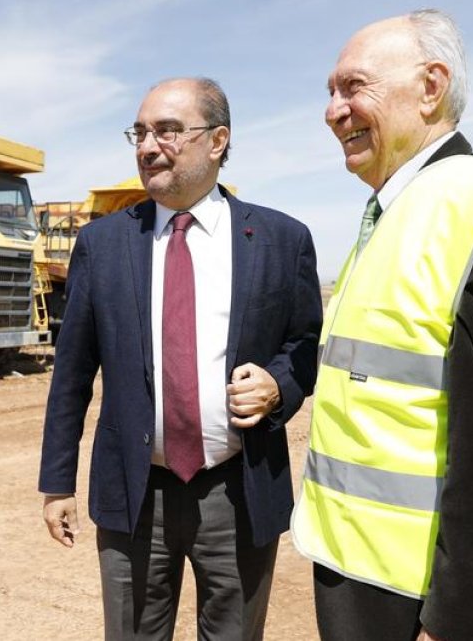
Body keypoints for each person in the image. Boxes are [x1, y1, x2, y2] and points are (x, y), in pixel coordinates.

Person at [291, 9, 473, 641]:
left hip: (435, 599)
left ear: (432, 87)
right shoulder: (397, 208)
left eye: (353, 87)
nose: (334, 111)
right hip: (367, 574)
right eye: (330, 93)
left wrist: (463, 620)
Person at [38, 77, 322, 640]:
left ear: (217, 141)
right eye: (139, 133)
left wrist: (278, 387)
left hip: (237, 489)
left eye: (167, 131)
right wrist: (57, 482)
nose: (148, 146)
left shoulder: (281, 240)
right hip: (136, 492)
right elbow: (71, 373)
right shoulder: (102, 245)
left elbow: (305, 345)